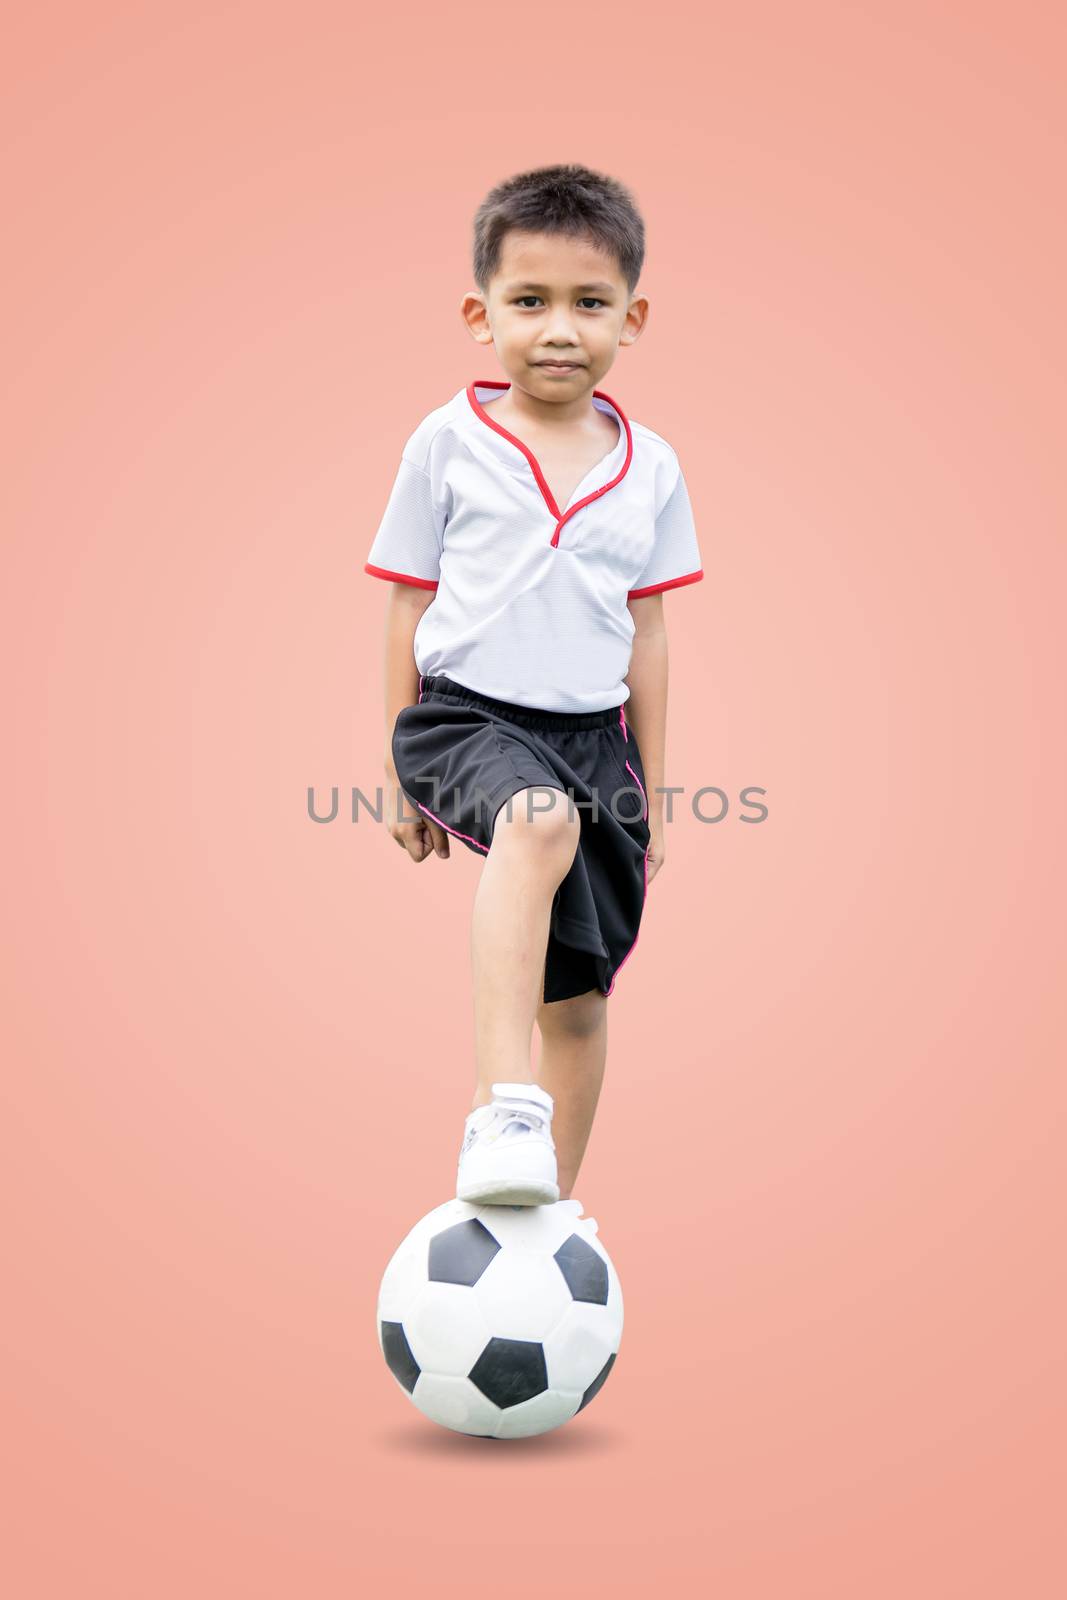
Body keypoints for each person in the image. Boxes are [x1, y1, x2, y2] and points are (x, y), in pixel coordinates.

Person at [365, 163, 703, 1208]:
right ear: (481, 315)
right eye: (529, 302)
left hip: (594, 739)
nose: (559, 328)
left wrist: (651, 789)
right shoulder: (446, 443)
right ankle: (500, 1104)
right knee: (539, 817)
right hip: (463, 716)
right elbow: (404, 607)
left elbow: (646, 631)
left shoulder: (650, 468)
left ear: (631, 319)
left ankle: (541, 1212)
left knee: (583, 1006)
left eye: (588, 304)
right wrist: (392, 767)